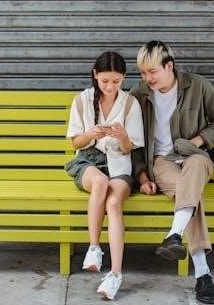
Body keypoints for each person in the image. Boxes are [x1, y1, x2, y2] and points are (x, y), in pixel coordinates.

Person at [130, 41, 214, 304]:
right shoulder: (139, 95)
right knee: (191, 195)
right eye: (143, 72)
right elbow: (133, 142)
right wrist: (142, 176)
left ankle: (174, 236)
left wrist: (198, 141)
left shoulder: (197, 85)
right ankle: (202, 274)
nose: (147, 78)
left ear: (169, 66)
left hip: (195, 157)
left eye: (152, 71)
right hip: (161, 162)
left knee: (196, 168)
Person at [65, 51, 144, 300]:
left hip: (119, 165)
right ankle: (94, 248)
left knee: (113, 202)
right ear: (95, 75)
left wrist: (122, 136)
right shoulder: (82, 100)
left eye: (116, 81)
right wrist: (91, 134)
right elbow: (75, 143)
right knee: (100, 182)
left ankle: (115, 274)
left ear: (124, 78)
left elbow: (129, 149)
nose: (110, 86)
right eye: (105, 81)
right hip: (88, 162)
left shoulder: (130, 104)